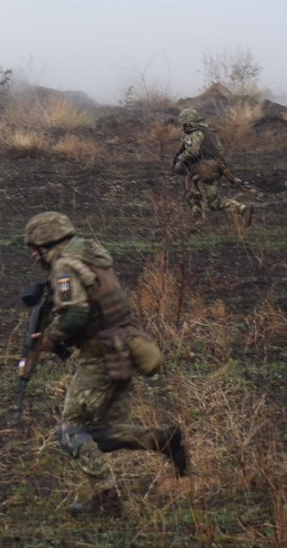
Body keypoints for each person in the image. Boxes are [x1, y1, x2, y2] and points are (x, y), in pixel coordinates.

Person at [21, 210, 188, 514]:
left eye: (37, 248)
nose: (34, 255)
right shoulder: (90, 254)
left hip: (99, 355)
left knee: (70, 432)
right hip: (120, 348)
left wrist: (50, 338)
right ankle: (163, 440)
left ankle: (106, 500)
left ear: (49, 243)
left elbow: (75, 315)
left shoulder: (64, 267)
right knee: (101, 431)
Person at [171, 107, 251, 225]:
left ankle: (242, 209)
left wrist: (180, 159)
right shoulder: (208, 132)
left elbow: (193, 151)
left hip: (205, 171)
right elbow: (219, 150)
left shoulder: (194, 133)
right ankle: (196, 222)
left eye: (183, 123)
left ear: (187, 122)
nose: (182, 126)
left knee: (212, 202)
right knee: (193, 196)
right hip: (213, 169)